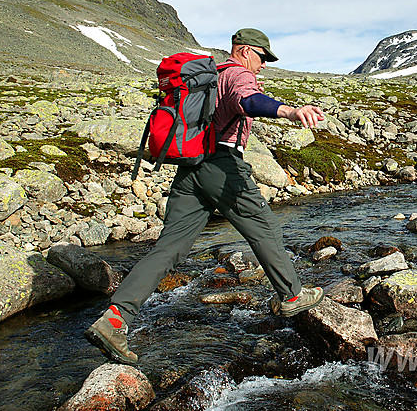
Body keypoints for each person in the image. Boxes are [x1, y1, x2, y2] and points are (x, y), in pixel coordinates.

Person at [85, 28, 325, 365]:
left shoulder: (211, 78)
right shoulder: (238, 74)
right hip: (222, 166)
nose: (264, 65)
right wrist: (288, 111)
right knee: (265, 226)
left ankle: (114, 319)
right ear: (243, 51)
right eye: (262, 57)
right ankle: (292, 295)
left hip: (191, 168)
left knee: (169, 248)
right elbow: (248, 101)